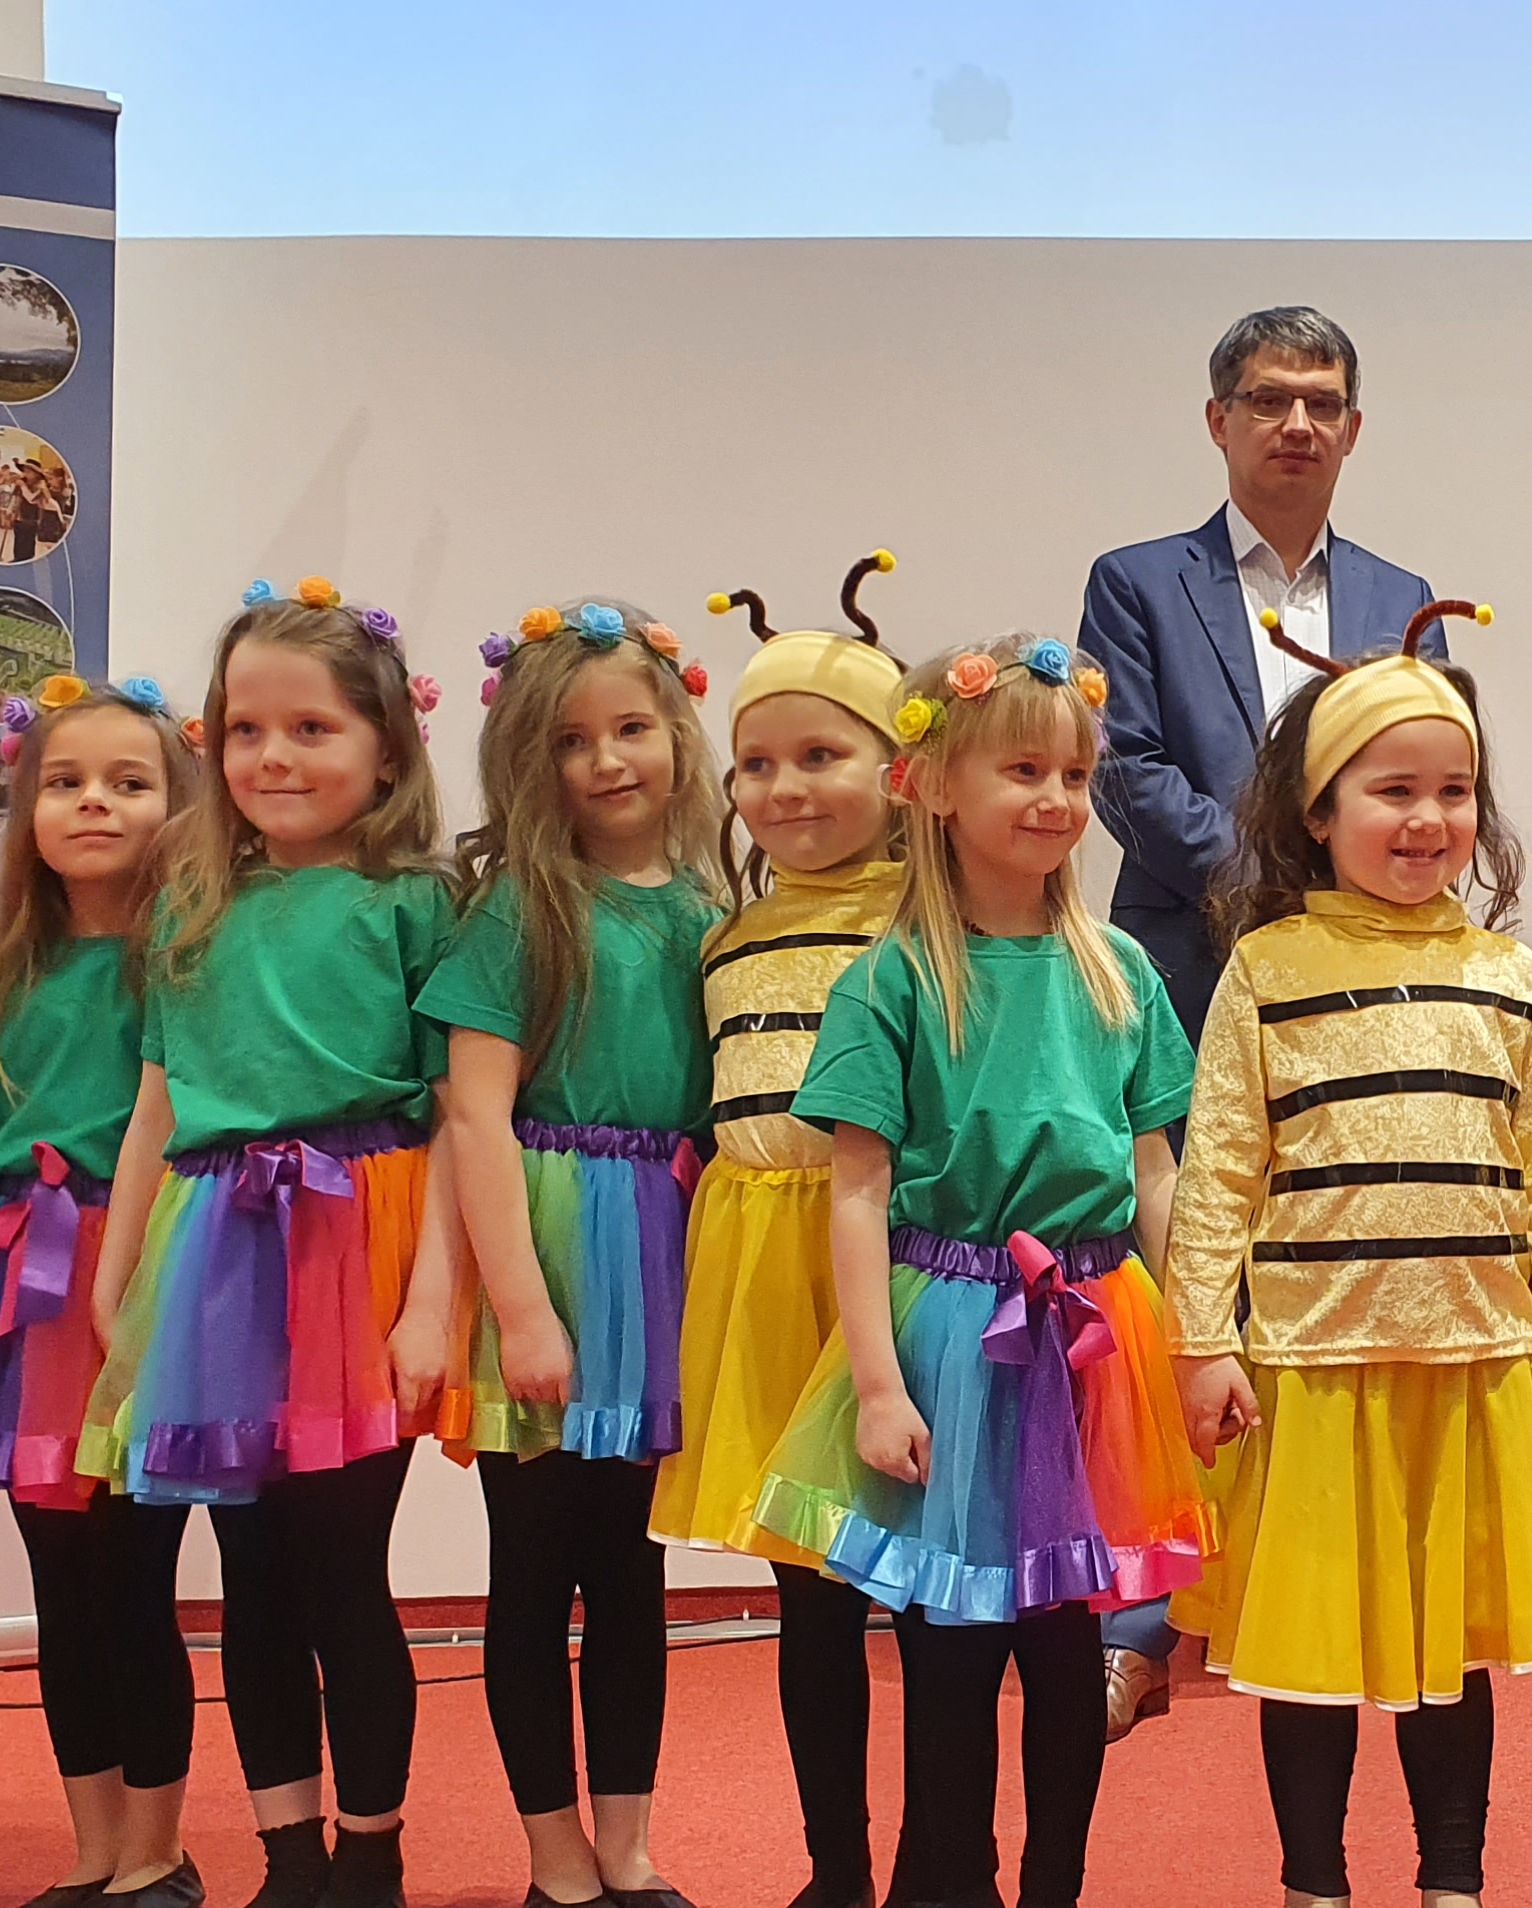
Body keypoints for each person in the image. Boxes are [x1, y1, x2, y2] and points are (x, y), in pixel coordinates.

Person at [1165, 608, 1532, 1908]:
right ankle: (1313, 1884)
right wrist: (1202, 1340)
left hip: (1472, 1368)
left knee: (1454, 1661)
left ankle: (1451, 1882)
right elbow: (1219, 1172)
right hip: (1311, 1371)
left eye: (1455, 790)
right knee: (1308, 1660)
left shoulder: (1506, 976)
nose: (1429, 819)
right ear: (1319, 812)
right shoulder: (1268, 970)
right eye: (1393, 791)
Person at [751, 634, 1212, 1908]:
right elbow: (855, 1194)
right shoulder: (893, 980)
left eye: (1075, 774)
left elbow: (1156, 1173)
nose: (1056, 800)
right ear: (936, 785)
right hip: (953, 1336)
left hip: (1094, 1332)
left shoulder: (1119, 971)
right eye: (1023, 770)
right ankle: (945, 1879)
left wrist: (1195, 1342)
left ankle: (1055, 1883)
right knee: (949, 1647)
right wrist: (878, 1384)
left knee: (1067, 1648)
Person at [1076, 308, 1437, 1727]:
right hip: (1192, 960)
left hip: (1358, 972)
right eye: (1270, 399)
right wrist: (1273, 884)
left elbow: (1415, 760)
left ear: (1355, 428)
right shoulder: (1138, 582)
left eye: (1323, 401)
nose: (1298, 423)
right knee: (1176, 1275)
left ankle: (1312, 1574)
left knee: (1334, 1257)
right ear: (1218, 420)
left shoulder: (1402, 590)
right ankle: (1140, 1614)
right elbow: (1124, 766)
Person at [79, 580, 457, 1908]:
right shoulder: (189, 897)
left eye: (311, 729)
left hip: (361, 1228)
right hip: (215, 1242)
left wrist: (430, 1300)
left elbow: (459, 1118)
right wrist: (121, 1273)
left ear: (385, 749)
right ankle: (287, 1852)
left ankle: (370, 1851)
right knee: (248, 1572)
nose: (274, 757)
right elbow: (157, 1103)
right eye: (245, 731)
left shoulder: (417, 902)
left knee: (342, 1565)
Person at [425, 596, 728, 1908]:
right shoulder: (518, 908)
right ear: (528, 760)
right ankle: (555, 1859)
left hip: (663, 1257)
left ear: (676, 735)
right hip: (551, 1245)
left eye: (630, 730)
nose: (607, 761)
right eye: (570, 740)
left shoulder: (716, 909)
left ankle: (628, 1847)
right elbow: (473, 1115)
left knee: (631, 1570)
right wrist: (522, 1306)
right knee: (534, 1569)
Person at [0, 677, 205, 1908]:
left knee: (133, 1583)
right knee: (62, 1590)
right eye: (66, 783)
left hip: (134, 1285)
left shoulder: (185, 969)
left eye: (129, 783)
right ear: (28, 810)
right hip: (16, 1296)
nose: (94, 804)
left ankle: (159, 1849)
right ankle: (94, 1849)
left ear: (180, 806)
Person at [653, 565, 910, 1908]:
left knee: (932, 1585)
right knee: (810, 1593)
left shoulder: (930, 923)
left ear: (898, 772)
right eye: (756, 763)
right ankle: (835, 1868)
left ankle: (940, 1859)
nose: (785, 789)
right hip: (758, 1265)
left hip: (894, 1265)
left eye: (821, 756)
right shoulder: (727, 936)